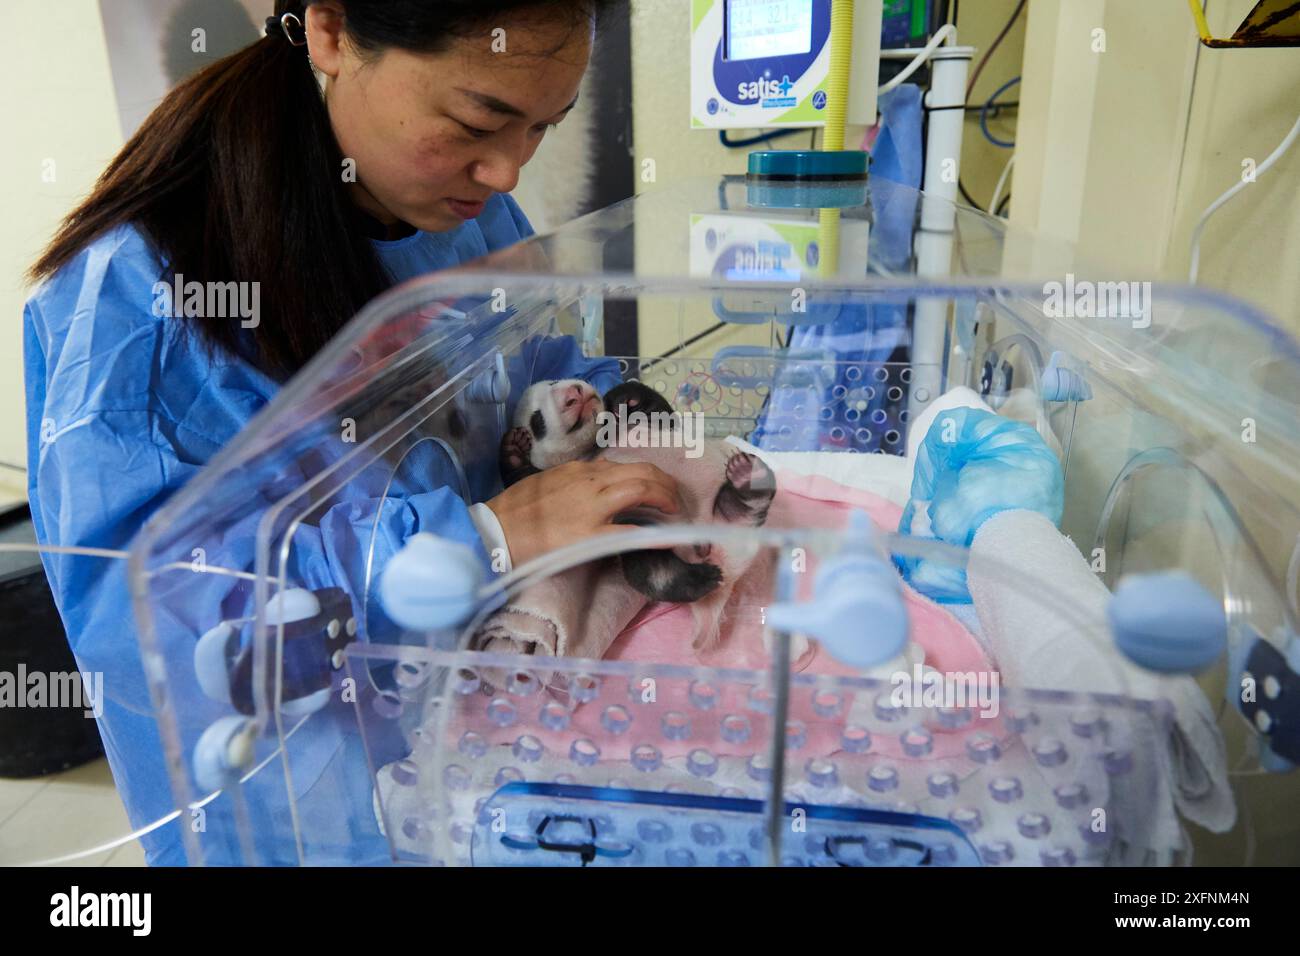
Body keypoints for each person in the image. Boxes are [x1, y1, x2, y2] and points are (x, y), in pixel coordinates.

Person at [23, 0, 676, 865]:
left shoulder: (467, 212)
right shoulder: (144, 293)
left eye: (542, 130)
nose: (508, 171)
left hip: (476, 743)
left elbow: (529, 361)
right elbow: (159, 624)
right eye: (479, 119)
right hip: (302, 798)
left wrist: (608, 409)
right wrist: (476, 540)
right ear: (330, 31)